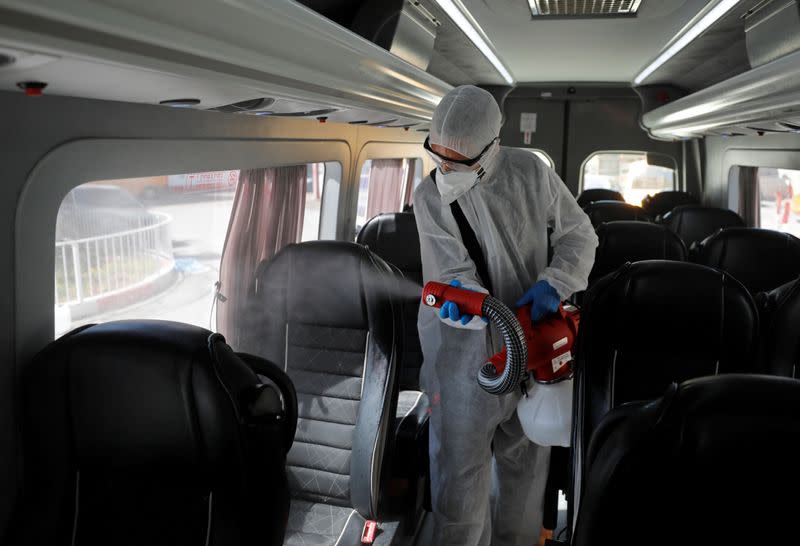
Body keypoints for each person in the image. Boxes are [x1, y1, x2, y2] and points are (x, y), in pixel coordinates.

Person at [414, 85, 598, 546]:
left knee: (522, 476)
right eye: (439, 157)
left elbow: (580, 236)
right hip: (462, 361)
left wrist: (555, 282)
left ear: (493, 147)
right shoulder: (428, 196)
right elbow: (449, 269)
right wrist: (467, 302)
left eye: (460, 161)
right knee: (459, 486)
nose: (446, 170)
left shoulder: (531, 173)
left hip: (530, 350)